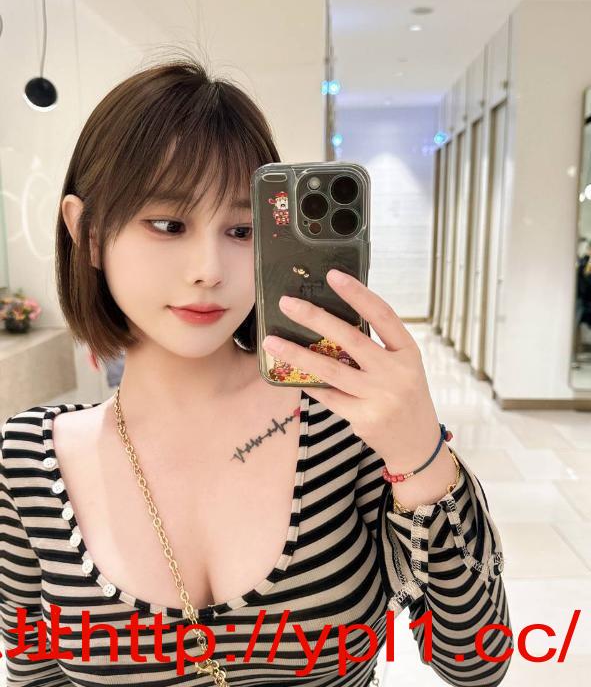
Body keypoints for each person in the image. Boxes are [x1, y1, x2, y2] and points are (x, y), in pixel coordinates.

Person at [0, 57, 513, 686]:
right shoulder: (29, 462)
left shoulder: (345, 428)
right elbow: (35, 677)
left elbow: (476, 662)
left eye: (242, 229)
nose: (209, 269)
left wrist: (420, 454)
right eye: (168, 224)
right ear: (87, 232)